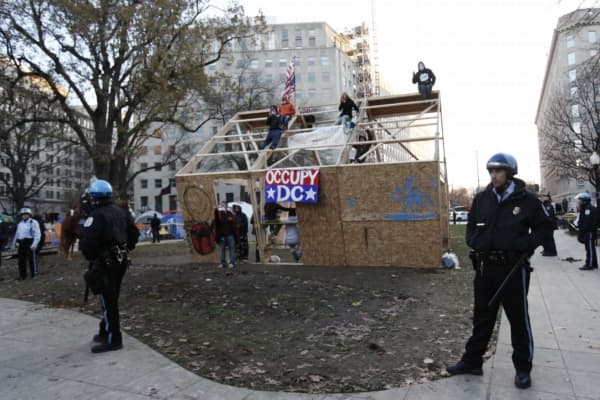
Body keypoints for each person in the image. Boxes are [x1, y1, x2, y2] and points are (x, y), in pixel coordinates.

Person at [446, 153, 553, 390]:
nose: (493, 175)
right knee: (482, 318)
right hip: (485, 268)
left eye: (498, 171)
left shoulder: (527, 200)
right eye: (491, 171)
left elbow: (545, 228)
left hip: (513, 269)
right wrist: (477, 243)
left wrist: (524, 246)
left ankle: (523, 368)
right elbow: (471, 229)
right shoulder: (482, 198)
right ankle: (472, 361)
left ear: (509, 172)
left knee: (518, 320)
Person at [80, 179, 139, 353]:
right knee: (111, 298)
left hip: (105, 263)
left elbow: (88, 243)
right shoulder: (121, 211)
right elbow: (134, 233)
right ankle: (105, 330)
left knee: (108, 301)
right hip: (120, 260)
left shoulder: (96, 215)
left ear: (94, 198)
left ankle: (114, 339)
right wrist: (126, 248)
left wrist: (92, 258)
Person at [11, 207, 41, 279]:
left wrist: (34, 244)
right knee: (21, 260)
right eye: (23, 214)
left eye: (26, 214)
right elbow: (17, 234)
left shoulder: (33, 222)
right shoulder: (20, 223)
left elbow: (37, 234)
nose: (24, 216)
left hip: (29, 242)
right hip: (21, 243)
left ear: (29, 215)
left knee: (31, 259)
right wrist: (14, 243)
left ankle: (34, 274)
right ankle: (23, 275)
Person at [575, 192, 598, 270]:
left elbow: (587, 223)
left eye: (580, 200)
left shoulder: (588, 209)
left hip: (589, 232)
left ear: (585, 200)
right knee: (590, 248)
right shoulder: (585, 208)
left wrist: (582, 231)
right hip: (588, 232)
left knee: (590, 249)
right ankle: (593, 263)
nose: (579, 201)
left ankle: (589, 264)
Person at [214, 204, 238, 268]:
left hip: (230, 234)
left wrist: (232, 219)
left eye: (224, 205)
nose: (223, 207)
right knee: (222, 249)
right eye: (222, 205)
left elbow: (235, 221)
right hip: (222, 235)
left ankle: (232, 262)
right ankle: (222, 263)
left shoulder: (230, 213)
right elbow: (217, 219)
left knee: (232, 249)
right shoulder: (219, 214)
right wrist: (216, 211)